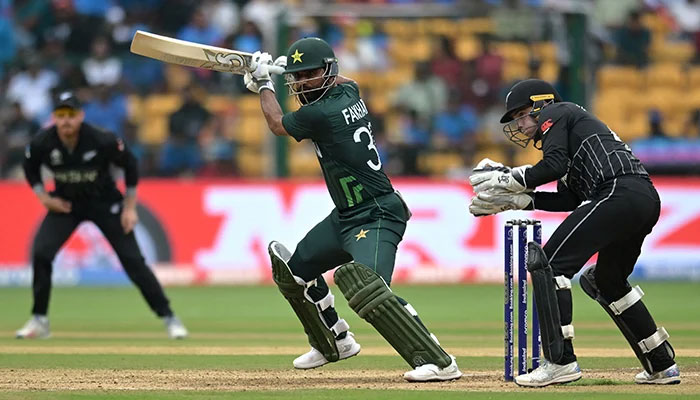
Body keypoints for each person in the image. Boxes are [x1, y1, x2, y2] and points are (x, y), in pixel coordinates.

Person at [242, 37, 462, 382]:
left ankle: (438, 360)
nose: (300, 83)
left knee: (368, 287)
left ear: (329, 72)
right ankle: (333, 342)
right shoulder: (349, 92)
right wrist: (289, 69)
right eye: (297, 77)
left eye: (308, 75)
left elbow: (276, 123)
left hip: (377, 214)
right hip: (345, 215)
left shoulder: (321, 113)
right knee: (294, 272)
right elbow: (349, 80)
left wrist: (265, 84)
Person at [467, 79, 680, 387]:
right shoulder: (568, 134)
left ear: (543, 105)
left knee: (549, 264)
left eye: (523, 114)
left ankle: (560, 362)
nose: (520, 123)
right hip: (641, 198)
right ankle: (661, 363)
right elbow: (569, 198)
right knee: (606, 280)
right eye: (515, 119)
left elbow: (552, 166)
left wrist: (510, 178)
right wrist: (520, 200)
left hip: (618, 192)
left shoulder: (560, 111)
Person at [17, 91, 188, 340]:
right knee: (42, 253)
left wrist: (129, 207)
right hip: (67, 205)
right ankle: (39, 320)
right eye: (61, 115)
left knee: (133, 261)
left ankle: (169, 317)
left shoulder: (101, 139)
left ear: (81, 116)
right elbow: (29, 167)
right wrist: (43, 197)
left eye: (71, 115)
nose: (66, 121)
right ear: (54, 117)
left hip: (105, 204)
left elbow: (130, 164)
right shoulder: (43, 142)